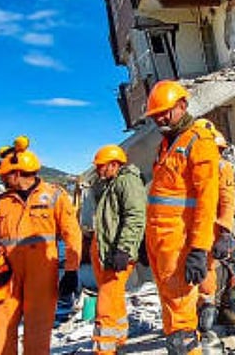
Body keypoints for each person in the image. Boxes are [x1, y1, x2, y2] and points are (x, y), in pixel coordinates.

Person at [0, 137, 82, 355]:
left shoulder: (54, 196)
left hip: (41, 275)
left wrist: (71, 270)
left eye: (5, 175)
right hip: (5, 275)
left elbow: (72, 234)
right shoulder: (0, 203)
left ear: (18, 173)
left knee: (38, 333)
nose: (2, 179)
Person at [144, 80, 219, 355]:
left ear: (183, 106)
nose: (160, 119)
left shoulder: (198, 142)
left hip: (180, 244)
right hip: (162, 243)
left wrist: (199, 248)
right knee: (171, 310)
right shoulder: (166, 145)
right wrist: (146, 240)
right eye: (155, 116)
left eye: (165, 112)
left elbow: (207, 200)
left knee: (181, 316)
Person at [90, 144, 146, 355]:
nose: (98, 171)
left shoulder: (127, 182)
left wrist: (124, 249)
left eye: (102, 167)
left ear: (114, 164)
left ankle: (104, 349)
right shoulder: (111, 184)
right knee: (113, 298)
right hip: (108, 252)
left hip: (117, 253)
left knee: (105, 302)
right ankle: (118, 341)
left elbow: (135, 217)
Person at [195, 122, 235, 348]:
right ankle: (210, 319)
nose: (221, 155)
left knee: (229, 270)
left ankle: (219, 313)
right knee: (206, 276)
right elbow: (226, 200)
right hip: (205, 232)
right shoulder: (215, 167)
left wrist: (225, 230)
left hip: (213, 230)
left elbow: (227, 201)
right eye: (219, 150)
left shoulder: (218, 167)